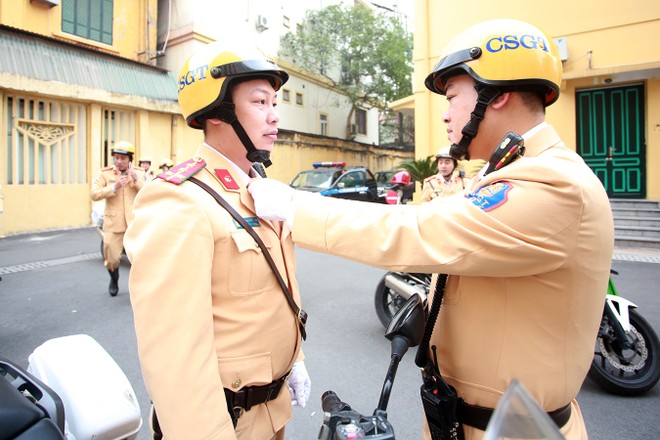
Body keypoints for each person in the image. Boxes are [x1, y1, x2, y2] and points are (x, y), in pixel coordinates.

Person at [248, 18, 613, 440]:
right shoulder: (511, 171)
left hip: (511, 430)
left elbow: (420, 231)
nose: (445, 116)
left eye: (453, 97)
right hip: (465, 419)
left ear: (496, 96)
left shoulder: (553, 184)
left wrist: (293, 207)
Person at [123, 42, 310, 440]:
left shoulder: (261, 190)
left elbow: (273, 293)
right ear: (218, 112)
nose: (275, 116)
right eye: (261, 102)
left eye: (275, 102)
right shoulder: (179, 198)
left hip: (272, 412)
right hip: (227, 421)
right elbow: (174, 355)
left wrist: (295, 358)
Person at [90, 141, 144, 296]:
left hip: (134, 223)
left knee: (139, 259)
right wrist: (113, 188)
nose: (119, 161)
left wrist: (136, 180)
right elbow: (94, 194)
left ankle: (138, 287)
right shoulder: (105, 173)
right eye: (116, 158)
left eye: (123, 158)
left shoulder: (138, 172)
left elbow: (148, 191)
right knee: (112, 259)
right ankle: (114, 278)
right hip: (114, 223)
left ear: (130, 159)